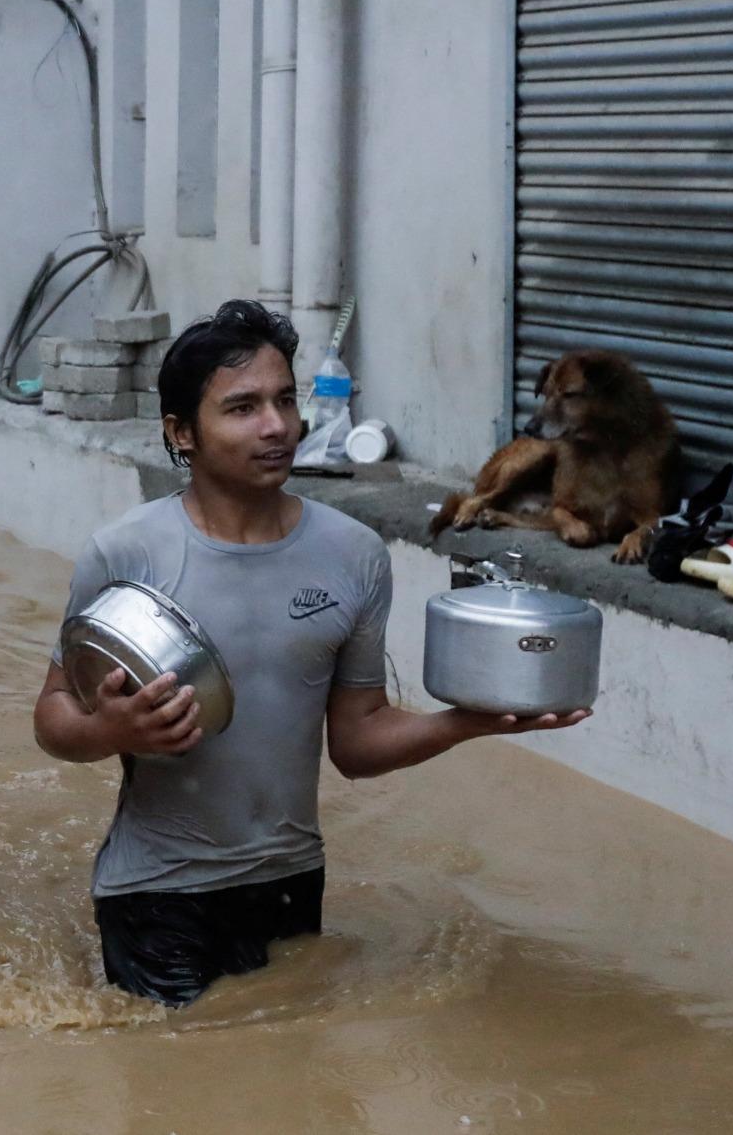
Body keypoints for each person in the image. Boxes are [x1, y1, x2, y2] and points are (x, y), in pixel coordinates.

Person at [33, 300, 590, 1006]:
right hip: (155, 890)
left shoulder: (352, 555)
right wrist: (108, 729)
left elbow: (355, 740)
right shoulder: (127, 551)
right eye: (242, 407)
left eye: (285, 399)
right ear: (182, 432)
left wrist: (470, 720)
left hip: (291, 880)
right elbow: (53, 712)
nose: (277, 426)